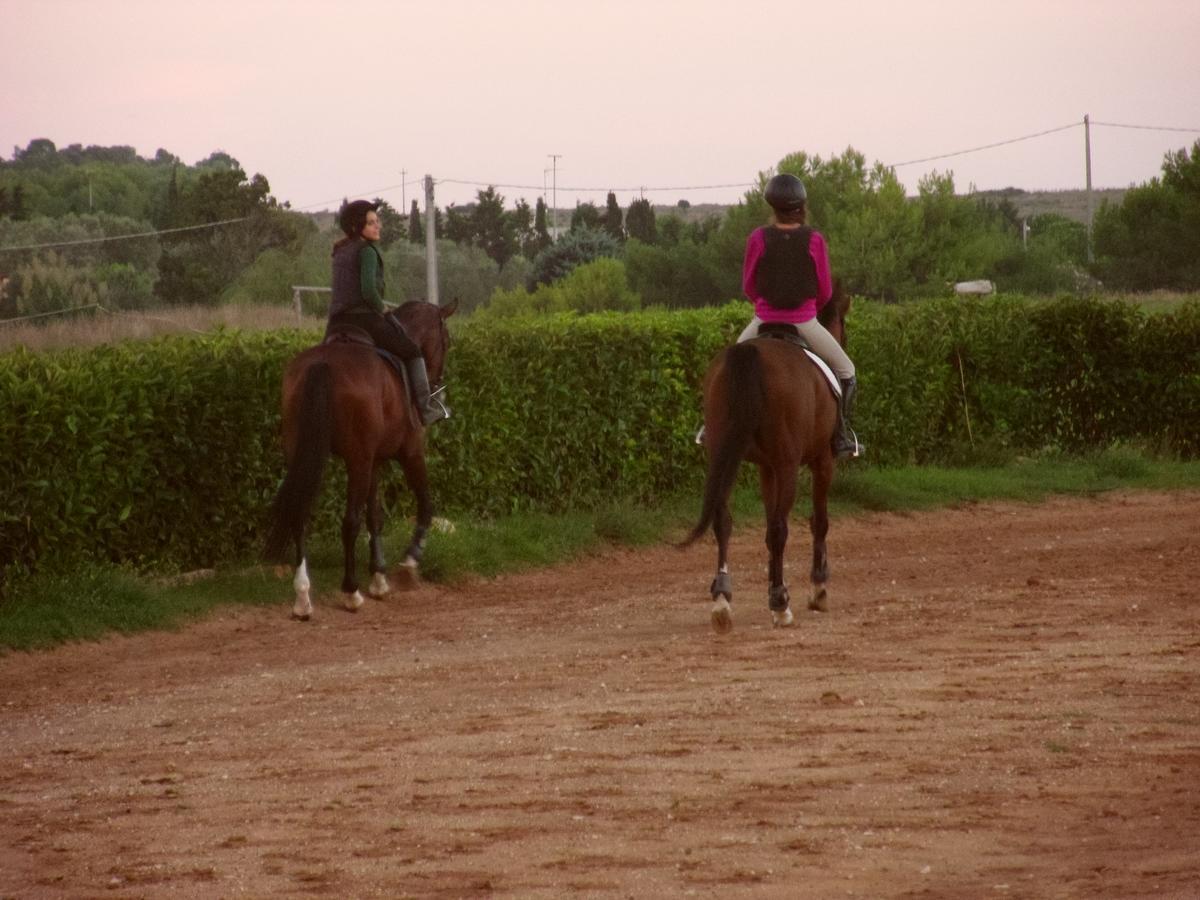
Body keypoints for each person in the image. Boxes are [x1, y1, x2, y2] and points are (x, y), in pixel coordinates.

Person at [737, 173, 863, 458]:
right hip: (804, 322)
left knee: (731, 364)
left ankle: (711, 428)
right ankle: (841, 436)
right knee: (847, 371)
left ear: (773, 207)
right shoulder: (814, 239)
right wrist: (806, 309)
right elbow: (825, 289)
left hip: (762, 322)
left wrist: (765, 305)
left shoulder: (758, 237)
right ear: (801, 206)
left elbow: (748, 285)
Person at [327, 199, 448, 426]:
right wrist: (382, 308)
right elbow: (368, 290)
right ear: (357, 227)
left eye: (377, 221)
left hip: (335, 323)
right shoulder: (367, 251)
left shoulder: (340, 251)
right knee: (412, 351)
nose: (378, 226)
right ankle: (426, 408)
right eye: (371, 223)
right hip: (364, 320)